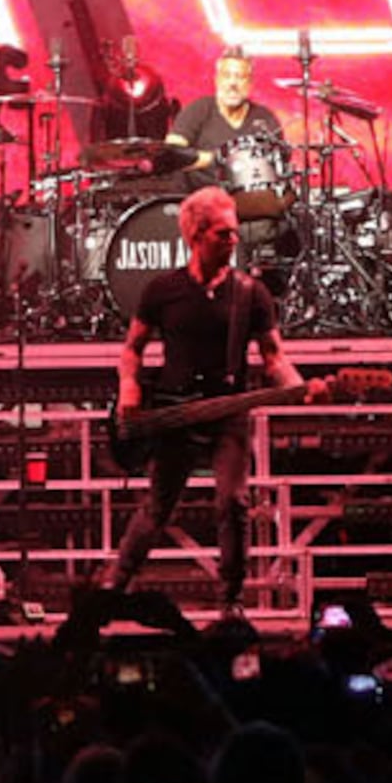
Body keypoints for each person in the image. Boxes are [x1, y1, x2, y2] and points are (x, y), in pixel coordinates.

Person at [99, 185, 299, 623]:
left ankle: (230, 600)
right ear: (196, 236)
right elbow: (132, 348)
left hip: (228, 410)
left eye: (234, 233)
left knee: (233, 502)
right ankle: (115, 586)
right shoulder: (162, 290)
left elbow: (274, 356)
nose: (233, 241)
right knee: (157, 506)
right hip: (175, 411)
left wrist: (299, 387)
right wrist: (129, 389)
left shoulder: (251, 293)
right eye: (223, 234)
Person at [168, 49, 285, 193]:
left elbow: (279, 162)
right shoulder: (198, 110)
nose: (232, 84)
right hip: (203, 199)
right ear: (217, 80)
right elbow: (171, 151)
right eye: (226, 76)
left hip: (252, 202)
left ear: (250, 83)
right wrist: (216, 159)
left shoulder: (265, 118)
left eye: (240, 77)